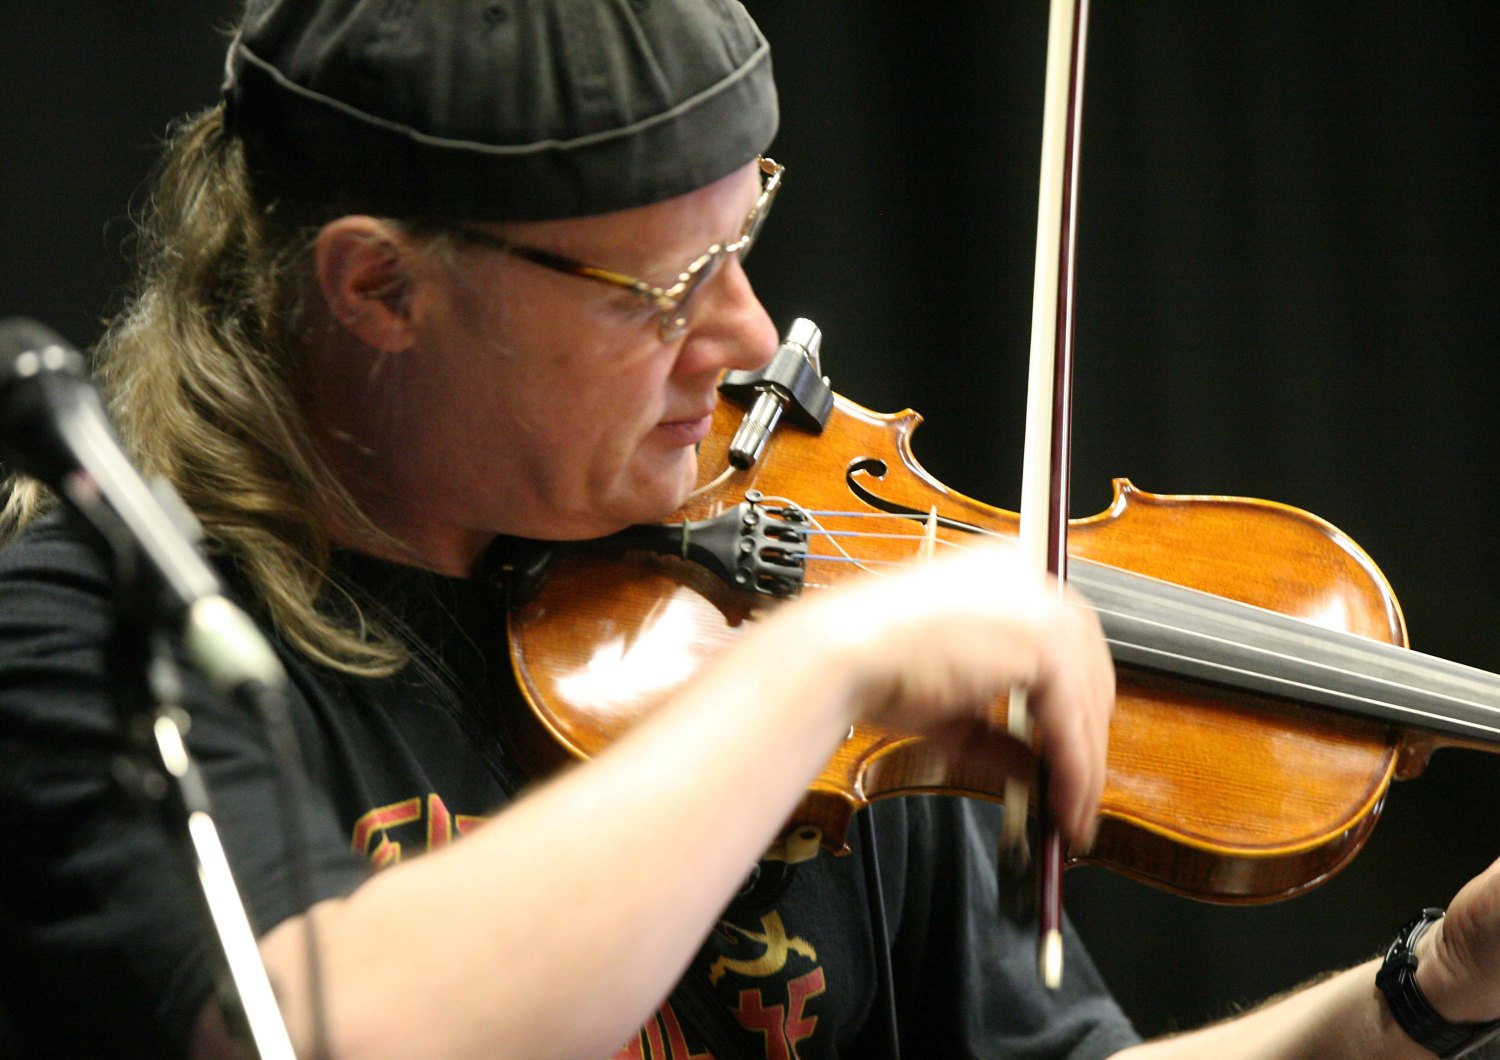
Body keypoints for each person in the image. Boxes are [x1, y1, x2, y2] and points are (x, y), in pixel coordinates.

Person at [0, 2, 1495, 1057]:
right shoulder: (95, 642)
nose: (749, 337)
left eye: (744, 242)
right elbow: (325, 1029)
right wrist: (814, 674)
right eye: (663, 291)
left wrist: (1430, 992)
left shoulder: (787, 588)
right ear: (380, 288)